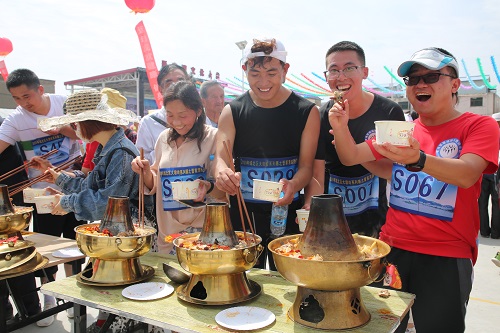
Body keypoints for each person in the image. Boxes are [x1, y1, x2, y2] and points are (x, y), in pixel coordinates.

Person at [329, 47, 499, 332]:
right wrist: (342, 127)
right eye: (412, 79)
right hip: (394, 249)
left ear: (455, 84)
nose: (420, 84)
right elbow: (352, 157)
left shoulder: (478, 125)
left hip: (446, 254)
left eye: (431, 76)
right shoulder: (401, 130)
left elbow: (468, 174)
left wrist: (418, 159)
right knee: (385, 327)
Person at [214, 38, 320, 270]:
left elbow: (306, 167)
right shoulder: (232, 110)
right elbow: (221, 157)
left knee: (291, 278)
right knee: (245, 278)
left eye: (272, 73)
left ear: (285, 69)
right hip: (244, 213)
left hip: (288, 208)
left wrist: (293, 184)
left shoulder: (306, 111)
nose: (263, 82)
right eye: (255, 74)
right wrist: (222, 174)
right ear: (245, 71)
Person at [0, 68, 82, 326]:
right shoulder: (16, 120)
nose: (24, 103)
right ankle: (49, 293)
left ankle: (74, 295)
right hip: (43, 192)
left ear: (40, 90)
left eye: (27, 96)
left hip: (75, 185)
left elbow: (86, 134)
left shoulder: (65, 104)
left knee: (73, 241)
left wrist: (62, 128)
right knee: (47, 243)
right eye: (17, 98)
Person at [308, 41, 405, 237]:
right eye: (333, 70)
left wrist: (352, 150)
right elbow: (317, 169)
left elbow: (394, 172)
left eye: (349, 68)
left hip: (374, 217)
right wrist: (311, 205)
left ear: (365, 72)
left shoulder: (388, 111)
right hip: (330, 217)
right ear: (326, 77)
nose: (341, 77)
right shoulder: (321, 114)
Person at [132, 81, 226, 254]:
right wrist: (144, 170)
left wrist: (208, 187)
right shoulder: (163, 138)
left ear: (198, 111)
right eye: (170, 115)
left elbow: (223, 190)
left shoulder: (213, 137)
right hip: (167, 233)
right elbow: (155, 180)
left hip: (201, 233)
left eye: (183, 116)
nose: (176, 122)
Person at [0, 116, 42, 324]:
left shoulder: (4, 125)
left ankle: (29, 308)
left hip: (9, 204)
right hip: (10, 199)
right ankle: (9, 309)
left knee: (13, 254)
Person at [136, 63, 190, 164]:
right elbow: (143, 159)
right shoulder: (148, 123)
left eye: (181, 81)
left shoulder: (200, 118)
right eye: (169, 83)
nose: (176, 86)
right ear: (160, 89)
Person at [479, 113, 500, 239]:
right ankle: (496, 233)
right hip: (497, 172)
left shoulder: (486, 134)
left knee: (482, 202)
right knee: (496, 204)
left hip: (484, 171)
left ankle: (484, 231)